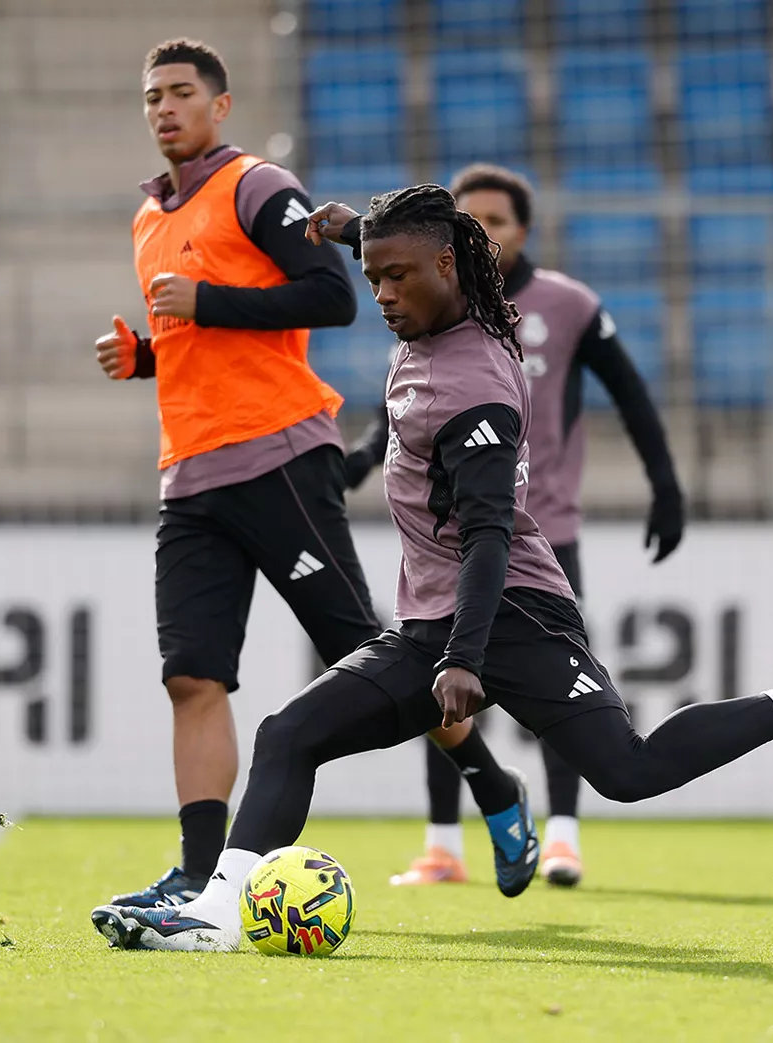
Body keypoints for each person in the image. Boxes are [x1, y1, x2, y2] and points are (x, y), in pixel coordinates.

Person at [89, 184, 773, 952]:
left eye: (396, 277)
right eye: (373, 277)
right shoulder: (438, 301)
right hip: (434, 623)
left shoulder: (476, 387)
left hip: (516, 614)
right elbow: (414, 248)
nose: (382, 295)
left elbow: (489, 534)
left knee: (629, 771)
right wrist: (352, 231)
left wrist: (464, 657)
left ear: (447, 267)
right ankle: (219, 911)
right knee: (288, 735)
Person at [92, 42, 534, 908]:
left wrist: (205, 301)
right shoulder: (149, 217)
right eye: (152, 97)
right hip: (188, 473)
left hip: (280, 458)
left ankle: (492, 784)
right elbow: (203, 343)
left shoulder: (257, 186)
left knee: (363, 654)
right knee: (192, 675)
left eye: (181, 93)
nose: (164, 109)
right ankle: (196, 873)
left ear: (220, 106)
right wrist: (146, 355)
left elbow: (332, 295)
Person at [340, 165, 684, 889]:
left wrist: (665, 484)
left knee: (561, 695)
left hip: (538, 533)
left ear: (523, 230)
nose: (485, 233)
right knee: (436, 688)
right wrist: (361, 460)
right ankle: (443, 842)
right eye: (474, 220)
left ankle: (562, 835)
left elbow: (631, 394)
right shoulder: (427, 308)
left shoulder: (566, 304)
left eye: (497, 221)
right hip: (452, 541)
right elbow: (400, 414)